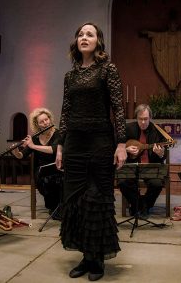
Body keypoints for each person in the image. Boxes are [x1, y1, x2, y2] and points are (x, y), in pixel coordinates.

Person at [55, 22, 127, 281]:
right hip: (74, 142)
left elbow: (118, 108)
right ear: (76, 41)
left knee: (96, 198)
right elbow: (65, 111)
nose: (84, 37)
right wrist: (60, 145)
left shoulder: (108, 69)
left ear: (99, 41)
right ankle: (85, 256)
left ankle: (97, 259)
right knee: (75, 200)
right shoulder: (70, 75)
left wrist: (121, 143)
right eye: (81, 34)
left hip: (100, 141)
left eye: (90, 34)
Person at [11, 107, 62, 218]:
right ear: (37, 124)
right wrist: (15, 150)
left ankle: (59, 207)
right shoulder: (34, 138)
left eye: (46, 119)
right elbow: (21, 156)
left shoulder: (58, 134)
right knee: (47, 180)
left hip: (57, 168)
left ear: (50, 119)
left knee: (59, 179)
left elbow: (53, 149)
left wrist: (33, 146)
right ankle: (54, 208)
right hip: (42, 172)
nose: (45, 123)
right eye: (41, 122)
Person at [118, 104, 167, 217]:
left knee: (157, 184)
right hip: (132, 166)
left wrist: (161, 154)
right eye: (140, 119)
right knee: (123, 182)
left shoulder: (158, 131)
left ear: (150, 118)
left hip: (151, 167)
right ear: (136, 118)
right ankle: (139, 204)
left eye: (146, 119)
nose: (143, 122)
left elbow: (163, 155)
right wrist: (126, 149)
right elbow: (117, 146)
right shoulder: (128, 128)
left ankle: (143, 204)